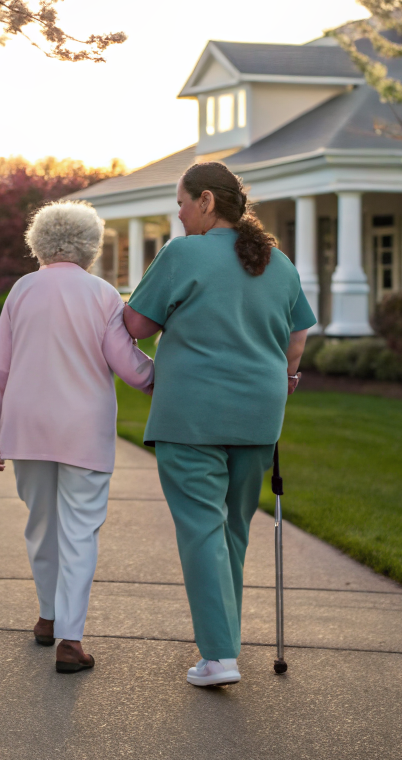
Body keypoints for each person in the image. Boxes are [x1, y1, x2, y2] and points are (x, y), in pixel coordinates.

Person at [123, 161, 315, 687]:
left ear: (206, 201)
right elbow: (296, 341)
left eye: (182, 202)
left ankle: (219, 656)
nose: (178, 214)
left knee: (202, 530)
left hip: (191, 415)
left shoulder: (182, 253)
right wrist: (287, 375)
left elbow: (136, 324)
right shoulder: (279, 262)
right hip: (259, 415)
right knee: (232, 529)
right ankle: (223, 644)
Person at [0, 201, 155, 674]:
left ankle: (47, 616)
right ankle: (70, 641)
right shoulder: (101, 293)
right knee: (79, 531)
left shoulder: (22, 290)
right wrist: (163, 377)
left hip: (26, 428)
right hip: (83, 430)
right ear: (90, 244)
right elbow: (128, 364)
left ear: (39, 242)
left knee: (41, 525)